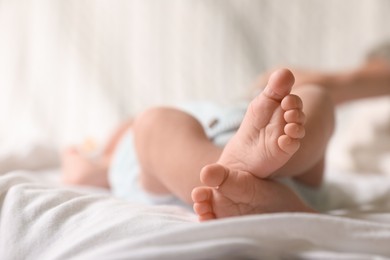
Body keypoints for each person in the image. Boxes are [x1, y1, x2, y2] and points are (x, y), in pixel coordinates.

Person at [61, 47, 390, 221]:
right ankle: (245, 177)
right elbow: (83, 173)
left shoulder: (202, 111)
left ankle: (242, 171)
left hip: (254, 137)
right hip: (202, 177)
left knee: (315, 97)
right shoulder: (120, 156)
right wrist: (82, 159)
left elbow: (80, 171)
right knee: (152, 122)